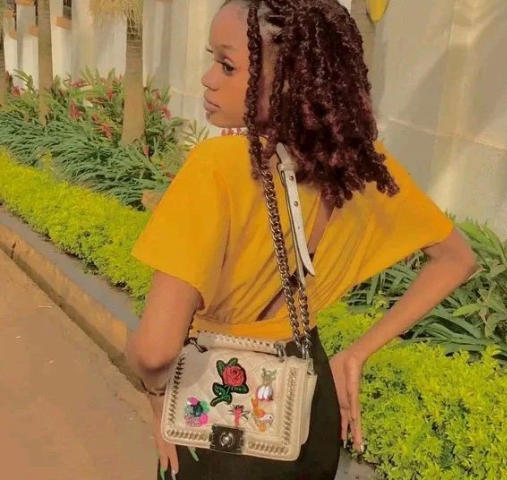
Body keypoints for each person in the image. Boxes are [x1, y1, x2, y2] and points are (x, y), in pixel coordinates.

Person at [125, 0, 479, 479]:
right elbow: (456, 258)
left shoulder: (215, 168)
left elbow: (155, 351)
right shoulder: (354, 165)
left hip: (221, 417)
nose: (208, 79)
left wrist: (155, 394)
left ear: (289, 81)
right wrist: (356, 353)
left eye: (227, 65)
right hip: (311, 402)